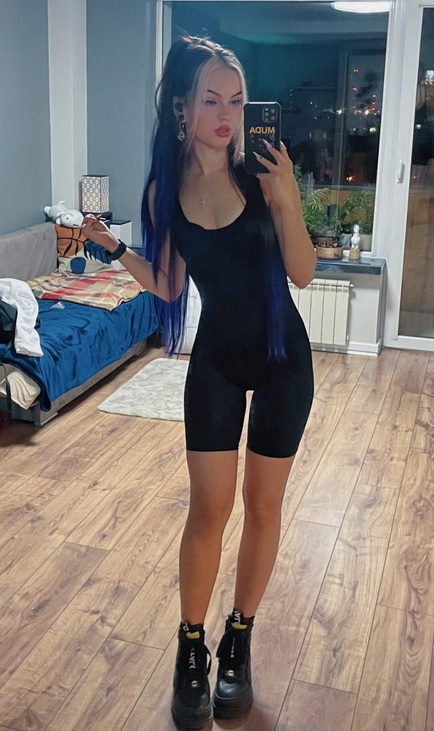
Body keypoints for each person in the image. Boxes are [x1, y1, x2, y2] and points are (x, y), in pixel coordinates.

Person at [82, 35, 316, 731]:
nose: (227, 115)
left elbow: (303, 273)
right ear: (183, 107)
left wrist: (287, 198)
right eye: (211, 100)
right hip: (216, 359)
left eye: (237, 101)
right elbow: (169, 284)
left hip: (283, 359)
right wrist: (115, 248)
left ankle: (238, 637)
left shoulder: (262, 174)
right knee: (208, 508)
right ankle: (192, 649)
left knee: (263, 505)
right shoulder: (166, 188)